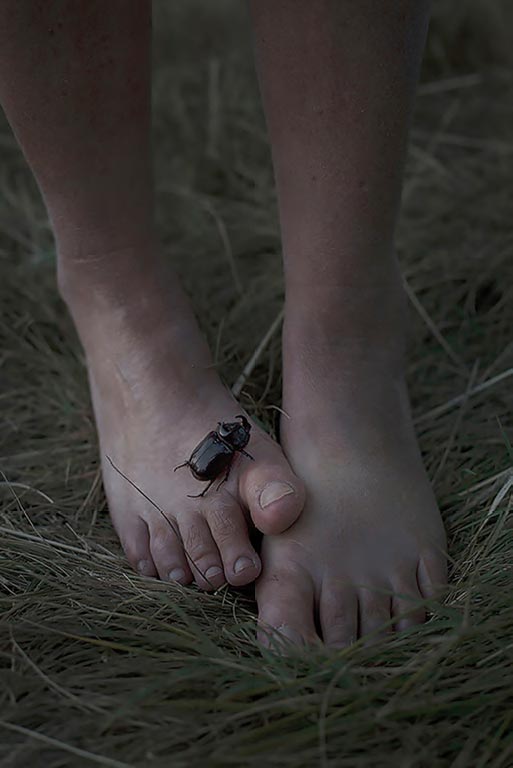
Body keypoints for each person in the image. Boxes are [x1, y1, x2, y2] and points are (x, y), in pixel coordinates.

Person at [0, 1, 447, 648]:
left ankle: (346, 330)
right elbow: (215, 457)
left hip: (203, 461)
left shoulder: (222, 448)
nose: (236, 438)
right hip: (205, 462)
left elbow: (212, 458)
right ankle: (118, 297)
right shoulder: (224, 448)